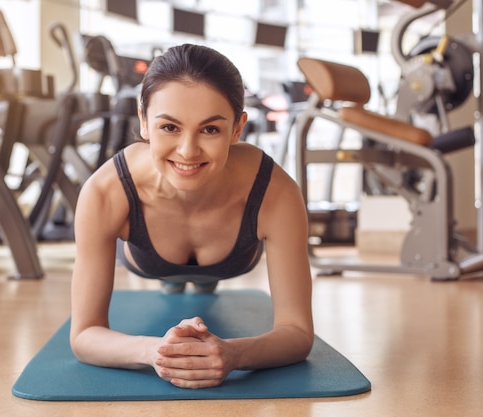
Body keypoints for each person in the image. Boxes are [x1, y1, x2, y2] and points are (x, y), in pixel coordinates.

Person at [70, 43, 314, 389]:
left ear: (237, 129)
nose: (188, 151)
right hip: (149, 261)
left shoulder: (276, 193)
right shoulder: (105, 192)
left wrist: (234, 354)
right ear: (143, 122)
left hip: (232, 260)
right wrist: (156, 350)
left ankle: (202, 278)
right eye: (169, 127)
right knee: (173, 282)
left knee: (203, 283)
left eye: (210, 130)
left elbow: (299, 332)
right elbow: (83, 335)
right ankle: (176, 279)